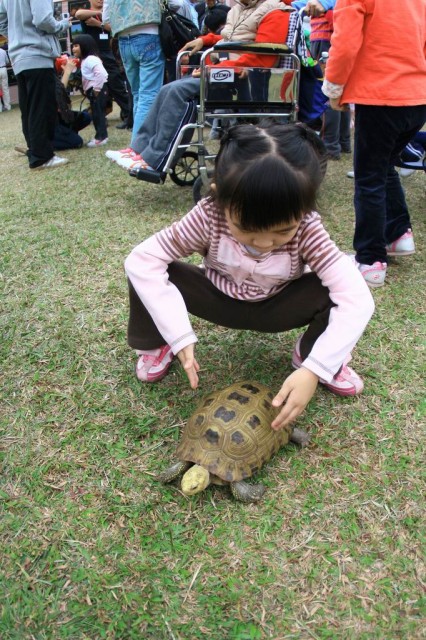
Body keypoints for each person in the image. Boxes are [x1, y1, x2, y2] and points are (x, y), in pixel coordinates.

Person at [125, 123, 375, 430]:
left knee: (333, 289)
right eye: (247, 228)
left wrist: (315, 368)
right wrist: (177, 333)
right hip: (217, 300)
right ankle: (155, 344)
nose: (264, 243)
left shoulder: (309, 230)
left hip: (279, 307)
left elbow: (357, 299)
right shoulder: (209, 215)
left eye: (284, 230)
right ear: (220, 198)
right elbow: (142, 259)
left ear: (305, 210)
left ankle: (311, 353)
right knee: (148, 269)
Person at [106, 0, 293, 171]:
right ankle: (138, 149)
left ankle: (154, 159)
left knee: (178, 92)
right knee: (167, 89)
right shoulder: (239, 9)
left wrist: (215, 69)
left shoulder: (275, 11)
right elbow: (233, 39)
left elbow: (264, 55)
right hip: (228, 72)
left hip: (248, 77)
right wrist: (206, 40)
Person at [322, 0, 426, 288]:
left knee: (369, 177)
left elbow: (345, 42)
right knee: (384, 167)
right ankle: (397, 234)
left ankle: (369, 259)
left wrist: (333, 86)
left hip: (380, 95)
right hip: (417, 96)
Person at [0, 0, 71, 169]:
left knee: (29, 109)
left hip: (19, 56)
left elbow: (1, 21)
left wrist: (18, 36)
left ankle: (35, 151)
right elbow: (43, 20)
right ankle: (42, 156)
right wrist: (62, 25)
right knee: (42, 108)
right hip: (38, 53)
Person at [101, 0, 165, 148]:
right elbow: (177, 4)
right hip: (149, 33)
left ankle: (139, 144)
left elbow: (105, 19)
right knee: (148, 95)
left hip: (123, 39)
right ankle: (138, 148)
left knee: (138, 94)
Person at [75, 0, 131, 129]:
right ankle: (99, 118)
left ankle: (128, 113)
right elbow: (78, 14)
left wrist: (98, 23)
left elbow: (114, 29)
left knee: (116, 84)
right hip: (93, 55)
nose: (100, 0)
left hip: (107, 53)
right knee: (96, 89)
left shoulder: (108, 14)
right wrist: (98, 13)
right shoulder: (88, 13)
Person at [309, 10, 351, 160]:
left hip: (325, 41)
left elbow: (336, 18)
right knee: (340, 91)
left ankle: (330, 147)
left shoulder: (328, 6)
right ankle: (343, 142)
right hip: (326, 40)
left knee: (327, 92)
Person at [72, 34, 109, 147]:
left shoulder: (90, 59)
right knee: (96, 114)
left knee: (98, 114)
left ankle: (101, 137)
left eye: (76, 46)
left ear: (85, 46)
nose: (73, 49)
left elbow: (102, 74)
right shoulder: (84, 61)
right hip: (93, 90)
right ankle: (99, 136)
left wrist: (97, 90)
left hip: (97, 89)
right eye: (73, 46)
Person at [53, 56, 92, 150]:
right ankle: (48, 142)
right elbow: (58, 93)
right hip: (49, 122)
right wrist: (67, 72)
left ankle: (66, 134)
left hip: (58, 117)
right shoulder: (42, 73)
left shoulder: (53, 73)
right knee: (77, 142)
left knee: (85, 117)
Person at [0, 44, 11, 111]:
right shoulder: (3, 51)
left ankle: (0, 108)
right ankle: (8, 106)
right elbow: (7, 61)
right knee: (5, 89)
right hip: (3, 69)